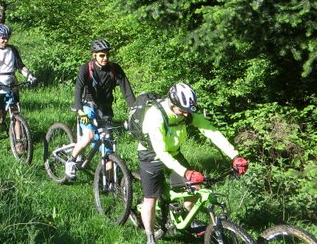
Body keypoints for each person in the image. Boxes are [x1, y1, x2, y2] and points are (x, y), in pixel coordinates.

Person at [138, 83, 249, 244]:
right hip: (151, 156)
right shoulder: (155, 116)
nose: (185, 115)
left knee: (196, 189)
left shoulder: (187, 111)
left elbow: (211, 131)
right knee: (150, 199)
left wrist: (235, 155)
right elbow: (161, 152)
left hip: (174, 153)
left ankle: (182, 218)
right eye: (182, 111)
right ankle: (150, 237)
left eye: (188, 111)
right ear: (172, 103)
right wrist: (186, 172)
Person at [66, 39, 136, 179]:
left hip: (105, 109)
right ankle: (71, 161)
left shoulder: (115, 69)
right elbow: (78, 90)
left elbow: (127, 91)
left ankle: (109, 182)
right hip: (88, 106)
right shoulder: (86, 68)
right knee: (89, 136)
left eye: (107, 55)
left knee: (108, 146)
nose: (105, 58)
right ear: (94, 55)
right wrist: (80, 110)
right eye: (101, 55)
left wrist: (135, 109)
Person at [0, 24, 37, 152]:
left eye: (7, 38)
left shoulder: (12, 50)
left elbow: (20, 66)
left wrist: (29, 75)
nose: (5, 40)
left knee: (15, 112)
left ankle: (18, 141)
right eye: (2, 38)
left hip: (11, 85)